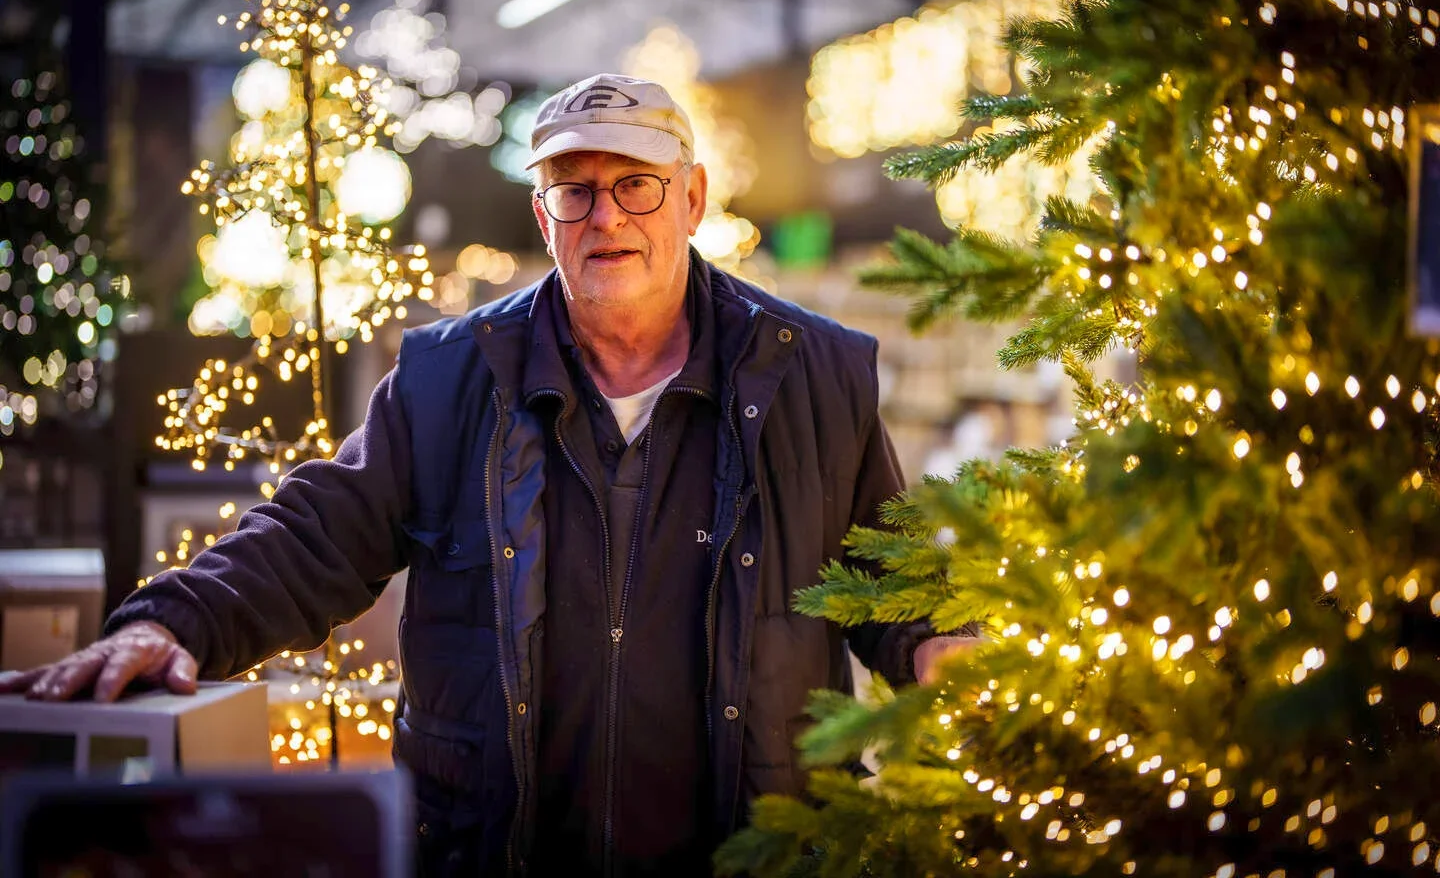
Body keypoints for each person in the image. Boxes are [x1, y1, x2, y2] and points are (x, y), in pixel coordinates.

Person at [0, 73, 979, 876]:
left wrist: (946, 646)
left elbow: (887, 574)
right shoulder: (452, 378)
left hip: (759, 851)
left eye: (636, 185)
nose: (606, 216)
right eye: (574, 189)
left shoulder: (812, 375)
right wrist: (173, 620)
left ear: (692, 198)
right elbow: (316, 534)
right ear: (542, 214)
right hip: (494, 851)